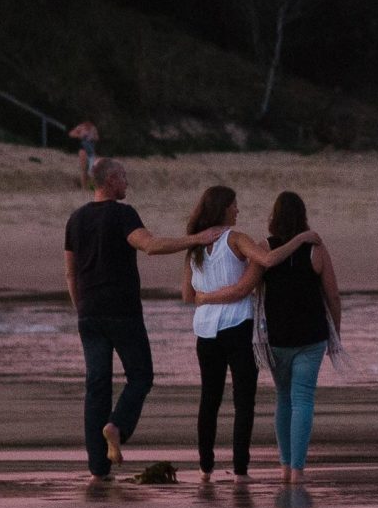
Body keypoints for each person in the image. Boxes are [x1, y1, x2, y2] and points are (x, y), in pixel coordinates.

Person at [62, 157, 223, 480]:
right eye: (123, 177)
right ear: (109, 181)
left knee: (97, 386)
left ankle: (98, 468)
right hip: (121, 311)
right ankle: (116, 426)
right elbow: (149, 245)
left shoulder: (75, 219)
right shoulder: (123, 214)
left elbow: (70, 274)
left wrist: (82, 309)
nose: (127, 183)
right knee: (141, 376)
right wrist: (197, 239)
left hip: (89, 313)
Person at [199, 191, 342, 486]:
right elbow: (333, 295)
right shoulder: (316, 248)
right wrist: (335, 334)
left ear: (274, 217)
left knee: (284, 398)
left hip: (276, 337)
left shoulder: (265, 248)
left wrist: (207, 296)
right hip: (311, 336)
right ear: (303, 216)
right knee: (303, 399)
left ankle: (284, 465)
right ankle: (297, 470)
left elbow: (248, 287)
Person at [175, 185, 316, 483]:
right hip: (238, 327)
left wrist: (207, 297)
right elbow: (266, 261)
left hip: (205, 331)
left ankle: (205, 467)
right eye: (235, 205)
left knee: (209, 399)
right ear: (224, 208)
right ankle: (240, 470)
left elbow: (188, 294)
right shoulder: (236, 239)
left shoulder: (195, 246)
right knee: (243, 401)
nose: (238, 210)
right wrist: (302, 239)